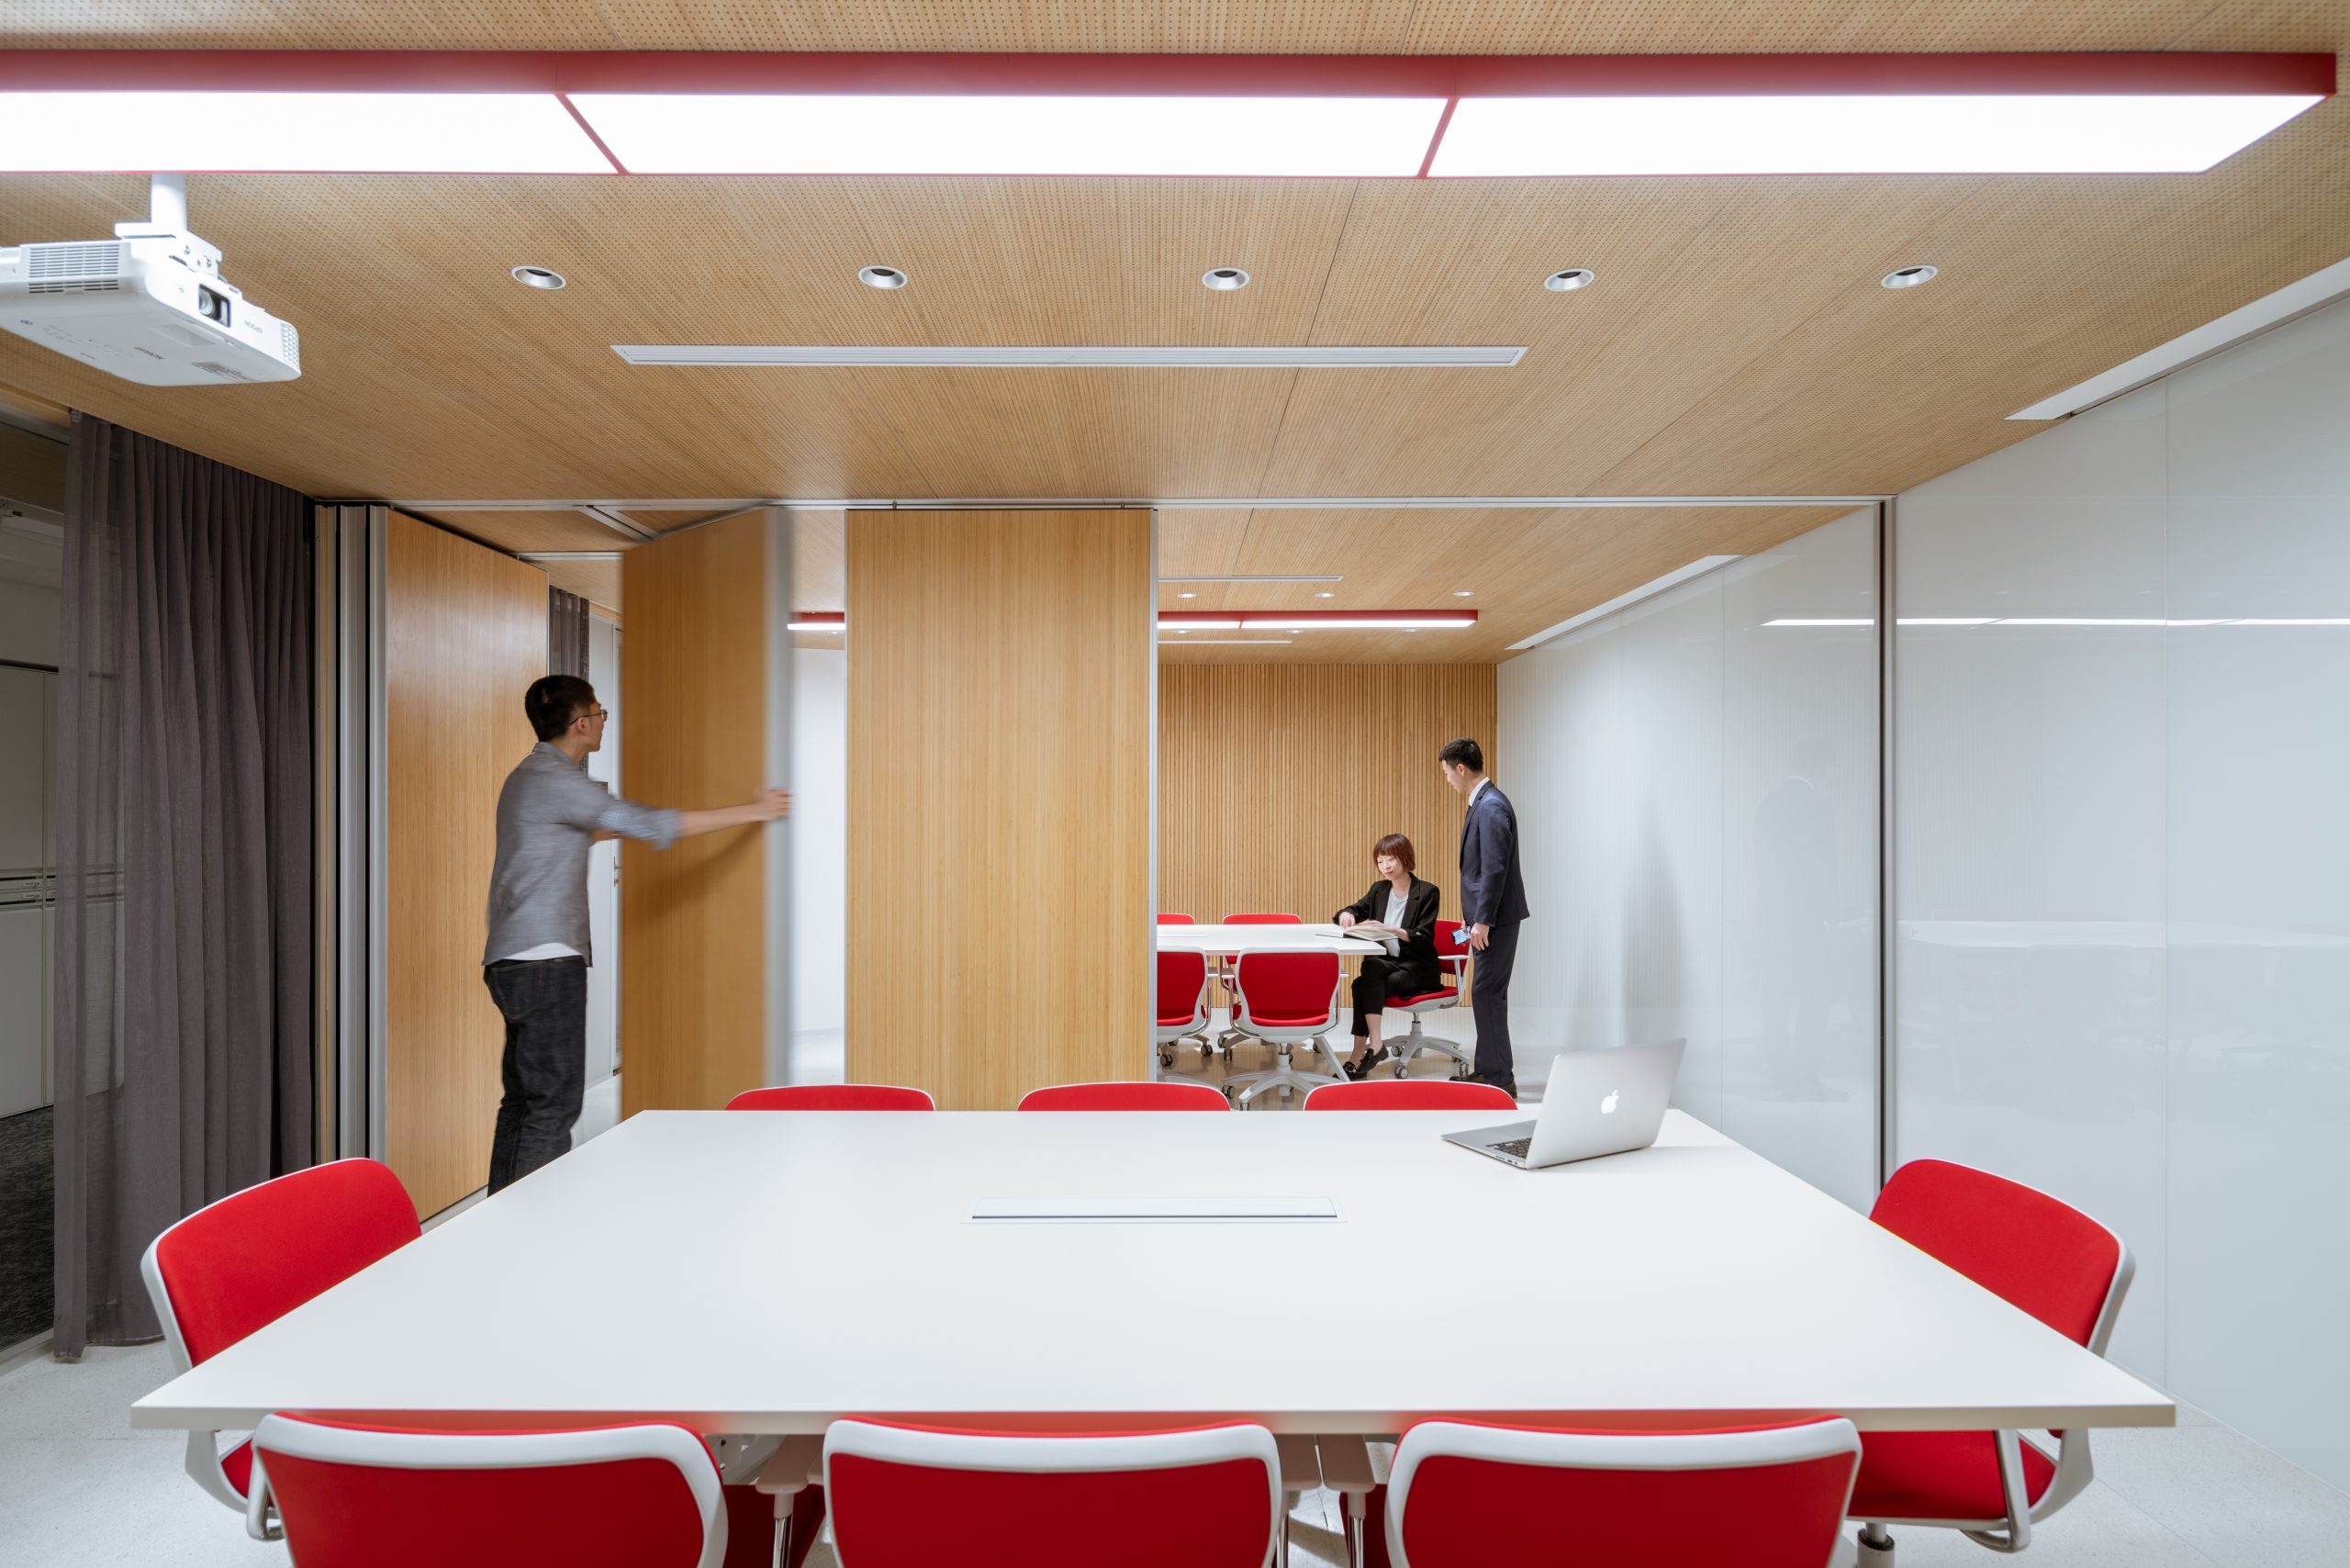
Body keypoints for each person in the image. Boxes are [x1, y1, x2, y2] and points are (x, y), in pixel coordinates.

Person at [482, 675, 789, 1194]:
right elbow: (648, 824)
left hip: (511, 960)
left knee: (524, 1103)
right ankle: (532, 1223)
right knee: (552, 1106)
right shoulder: (559, 782)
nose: (603, 721)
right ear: (582, 724)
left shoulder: (529, 777)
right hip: (546, 962)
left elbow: (601, 827)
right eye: (599, 712)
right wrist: (756, 810)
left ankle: (501, 1217)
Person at [1440, 736, 1528, 1098]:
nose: (1448, 780)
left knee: (1487, 992)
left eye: (1448, 773)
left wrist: (1482, 920)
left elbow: (1494, 869)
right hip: (1491, 917)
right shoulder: (1486, 802)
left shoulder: (1490, 806)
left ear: (1461, 768)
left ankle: (1498, 1078)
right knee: (1489, 993)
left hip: (1495, 919)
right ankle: (1491, 1070)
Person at [1331, 834, 1443, 1080]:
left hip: (1417, 969)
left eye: (1390, 859)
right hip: (1388, 965)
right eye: (1380, 861)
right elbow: (1354, 909)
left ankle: (1360, 1053)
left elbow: (1423, 936)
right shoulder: (1379, 890)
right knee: (1369, 971)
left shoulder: (1427, 892)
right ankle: (1373, 1046)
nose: (1385, 866)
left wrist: (1391, 929)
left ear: (1405, 858)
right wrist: (1347, 915)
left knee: (1361, 984)